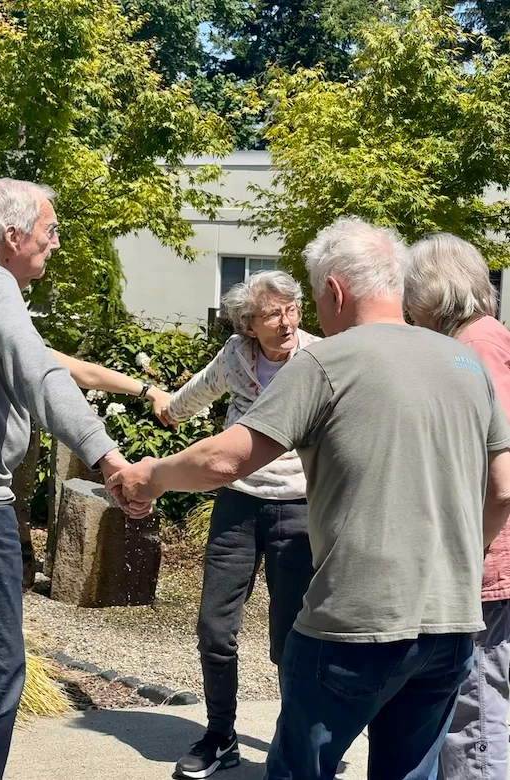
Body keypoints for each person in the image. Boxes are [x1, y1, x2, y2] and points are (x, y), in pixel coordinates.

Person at [109, 216, 510, 780]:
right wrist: (462, 563)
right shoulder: (466, 363)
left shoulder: (326, 362)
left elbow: (225, 459)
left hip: (354, 625)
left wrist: (149, 476)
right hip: (451, 625)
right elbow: (503, 489)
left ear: (335, 291)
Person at [0, 178, 145, 780]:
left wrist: (136, 389)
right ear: (13, 235)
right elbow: (41, 374)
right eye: (50, 234)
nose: (54, 246)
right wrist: (107, 458)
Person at [158, 270, 318, 778]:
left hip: (298, 506)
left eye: (292, 309)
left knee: (289, 638)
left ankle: (296, 739)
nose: (287, 320)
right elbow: (198, 393)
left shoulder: (317, 358)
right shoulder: (235, 356)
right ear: (250, 324)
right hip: (238, 502)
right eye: (274, 313)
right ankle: (220, 734)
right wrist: (168, 409)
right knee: (214, 627)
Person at [404, 233, 510, 780]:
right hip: (487, 550)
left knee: (476, 710)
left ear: (433, 294)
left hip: (487, 557)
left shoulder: (476, 348)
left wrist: (470, 549)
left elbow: (501, 477)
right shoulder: (481, 339)